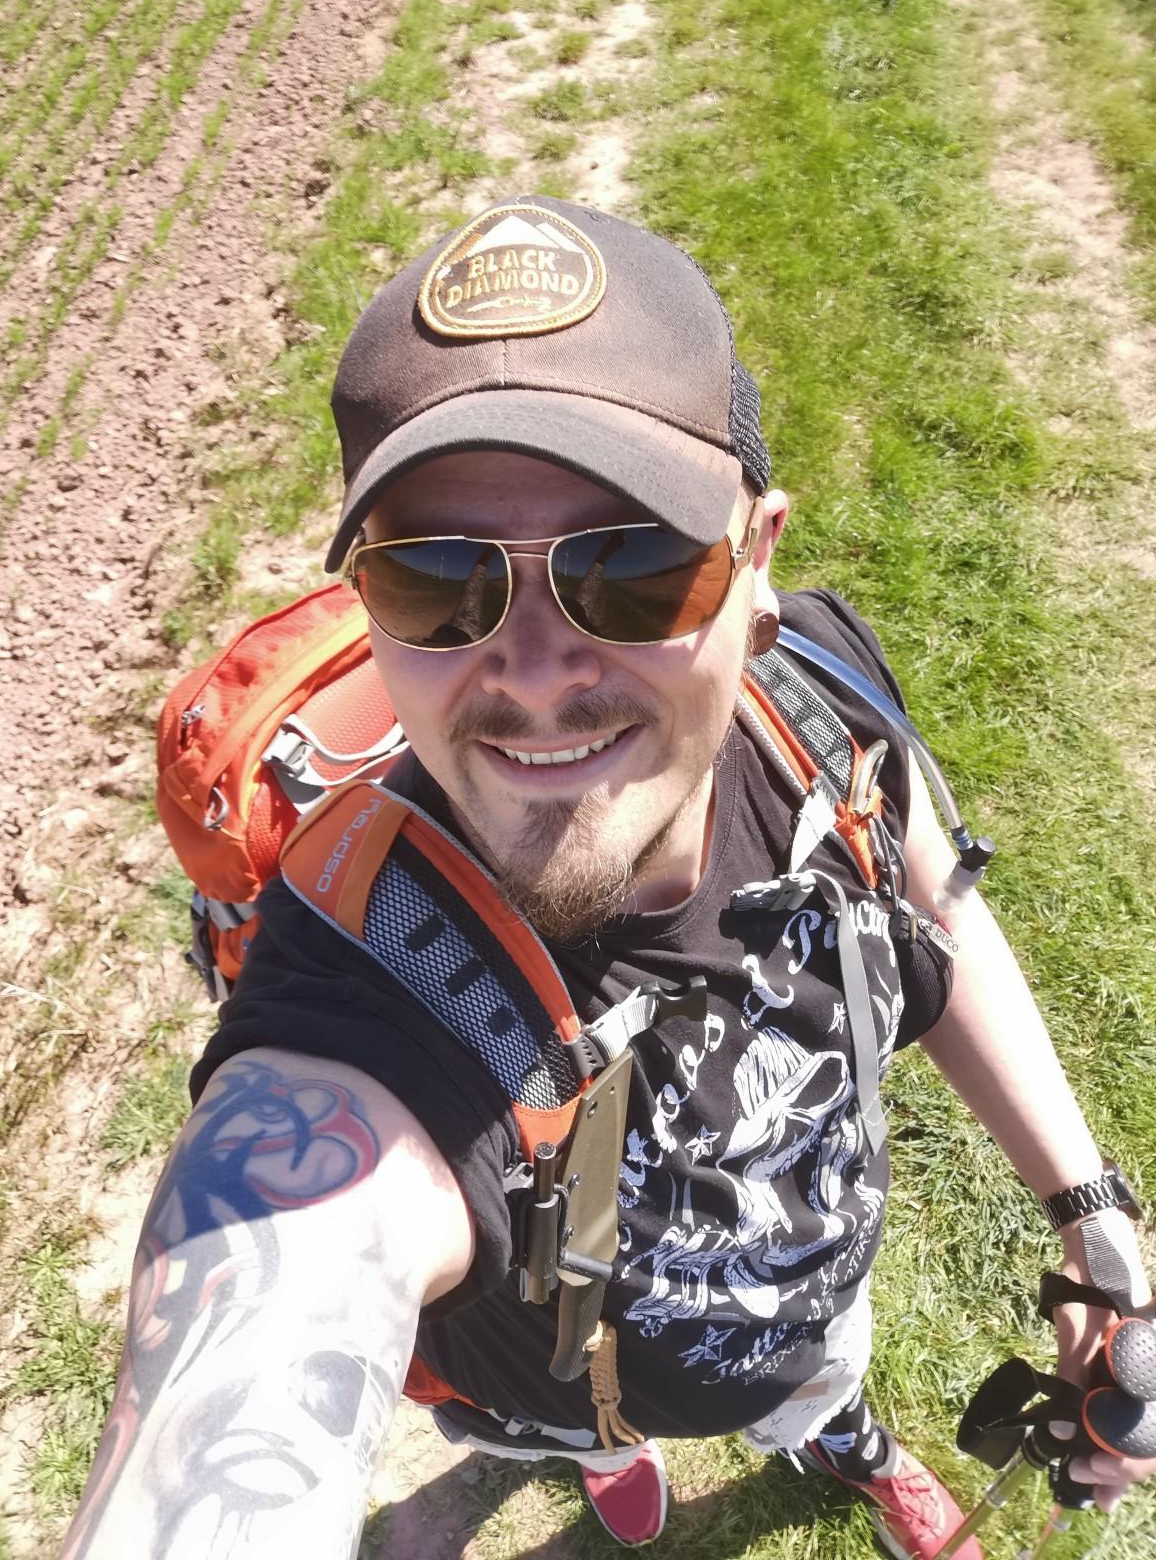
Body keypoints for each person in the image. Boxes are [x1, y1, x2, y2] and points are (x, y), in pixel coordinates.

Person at [63, 197, 1153, 1558]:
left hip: (810, 1293)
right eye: (436, 579)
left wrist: (1088, 1207)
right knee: (585, 1411)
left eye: (634, 566)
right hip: (550, 1375)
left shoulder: (821, 710)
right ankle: (607, 1454)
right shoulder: (359, 975)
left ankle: (838, 1433)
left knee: (819, 1374)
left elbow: (933, 905)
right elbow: (274, 1282)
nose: (533, 673)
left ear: (758, 560)